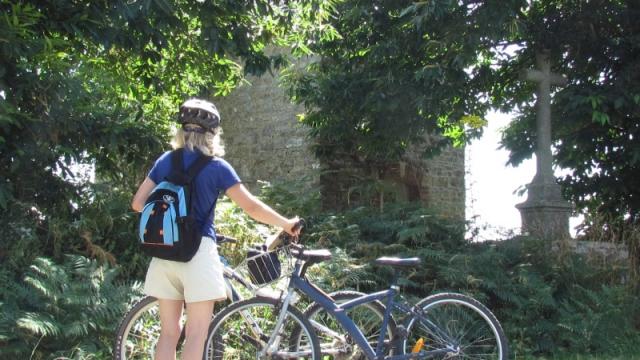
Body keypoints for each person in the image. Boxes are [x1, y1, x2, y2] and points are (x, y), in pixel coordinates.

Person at [131, 98, 300, 360]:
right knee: (197, 333)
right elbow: (252, 208)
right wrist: (286, 224)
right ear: (212, 133)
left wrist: (170, 217)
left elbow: (138, 203)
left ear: (181, 130)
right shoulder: (217, 167)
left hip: (164, 253)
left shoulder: (165, 161)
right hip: (198, 252)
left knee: (168, 333)